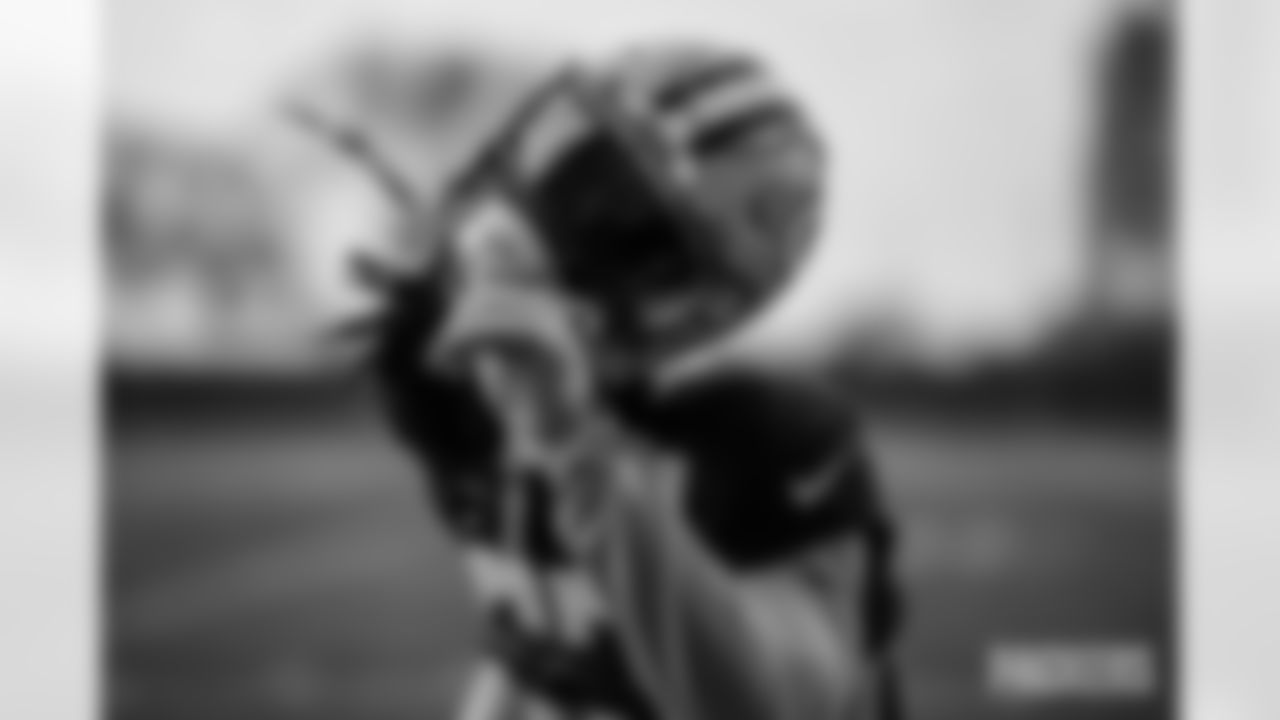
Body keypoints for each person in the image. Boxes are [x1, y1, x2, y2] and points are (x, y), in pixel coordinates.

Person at [335, 40, 906, 720]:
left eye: (617, 222)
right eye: (555, 162)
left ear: (695, 303)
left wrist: (577, 448)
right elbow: (531, 648)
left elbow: (779, 703)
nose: (537, 217)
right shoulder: (461, 401)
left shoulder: (760, 442)